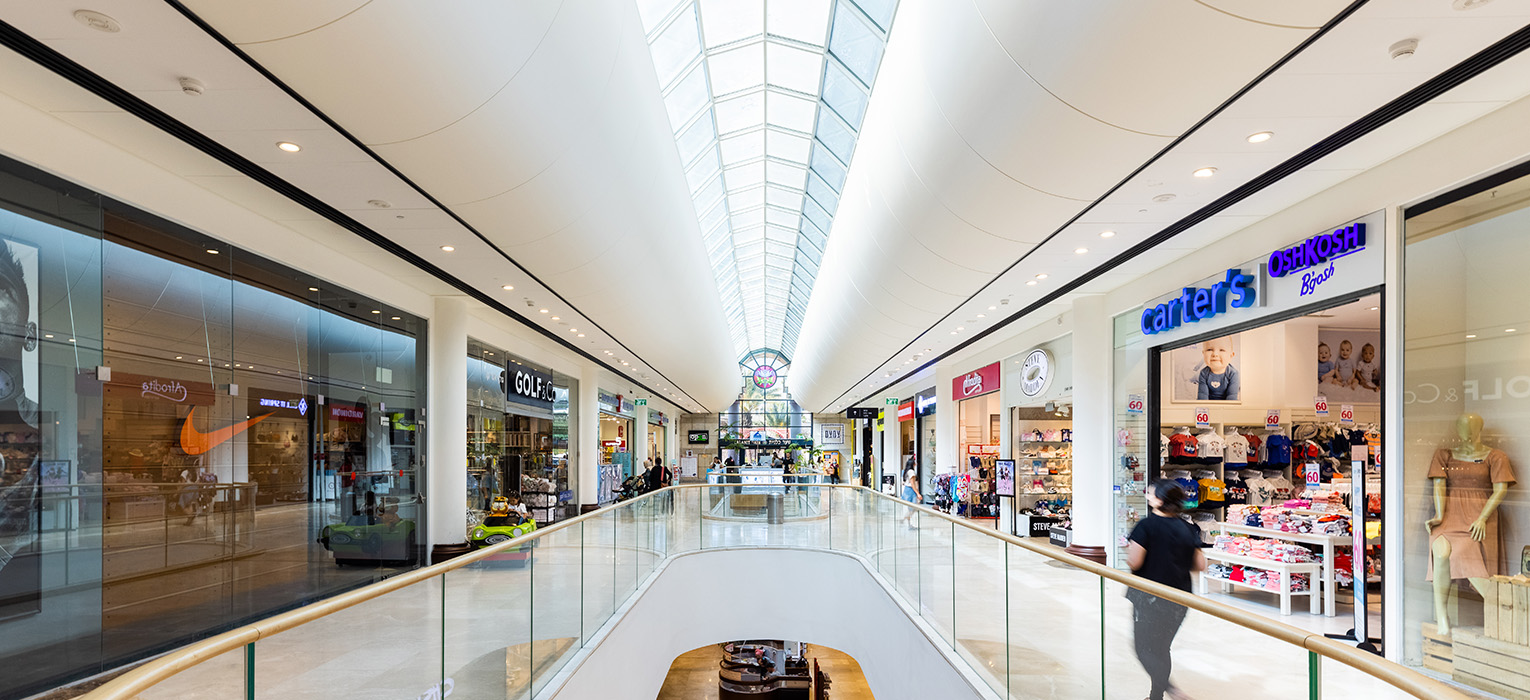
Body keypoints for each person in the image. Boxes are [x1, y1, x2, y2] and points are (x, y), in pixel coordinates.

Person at [1125, 480, 1207, 700]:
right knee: (1162, 648)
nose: (1148, 496)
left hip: (1149, 597)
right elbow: (1200, 565)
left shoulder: (1146, 526)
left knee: (1143, 649)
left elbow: (1134, 562)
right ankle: (1155, 696)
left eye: (1151, 493)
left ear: (1160, 500)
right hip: (1179, 597)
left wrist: (1128, 551)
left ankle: (1172, 691)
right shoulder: (1188, 528)